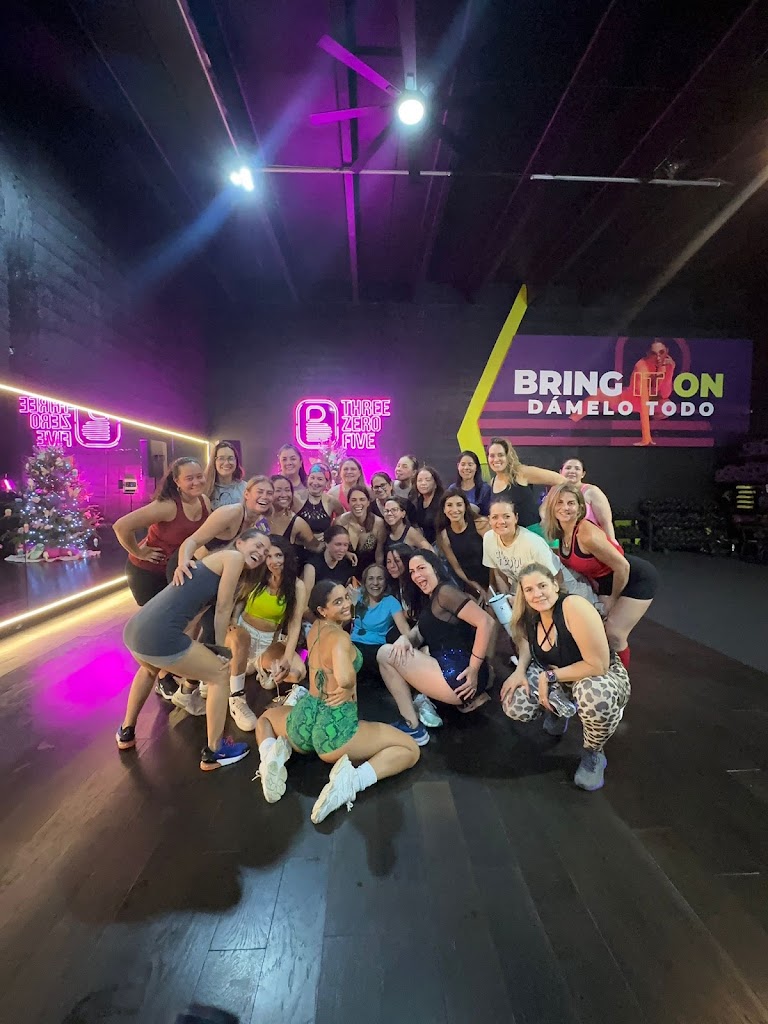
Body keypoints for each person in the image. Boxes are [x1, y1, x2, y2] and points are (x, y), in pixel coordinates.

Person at [253, 581, 420, 823]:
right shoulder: (341, 638)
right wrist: (348, 685)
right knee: (410, 749)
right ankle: (351, 782)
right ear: (322, 610)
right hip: (335, 730)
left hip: (305, 718)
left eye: (346, 598)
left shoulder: (315, 629)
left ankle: (270, 757)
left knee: (266, 719)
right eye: (338, 602)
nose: (346, 605)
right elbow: (343, 677)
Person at [116, 528, 271, 770]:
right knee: (220, 674)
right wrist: (220, 651)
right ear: (240, 542)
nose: (261, 553)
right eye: (258, 545)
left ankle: (126, 731)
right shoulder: (233, 558)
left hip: (136, 631)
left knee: (149, 669)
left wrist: (195, 651)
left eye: (266, 552)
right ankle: (215, 751)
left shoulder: (211, 566)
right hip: (158, 635)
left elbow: (193, 619)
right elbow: (223, 609)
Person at [500, 562, 630, 791]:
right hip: (559, 677)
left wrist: (548, 677)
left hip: (598, 675)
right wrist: (519, 672)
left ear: (554, 584)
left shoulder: (573, 606)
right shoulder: (531, 613)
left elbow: (597, 665)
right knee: (515, 701)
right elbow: (527, 644)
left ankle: (593, 752)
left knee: (595, 696)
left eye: (542, 585)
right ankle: (558, 710)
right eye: (529, 589)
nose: (537, 594)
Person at [377, 551, 495, 743]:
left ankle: (412, 726)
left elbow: (486, 622)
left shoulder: (445, 592)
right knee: (406, 649)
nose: (417, 575)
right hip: (459, 673)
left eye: (421, 568)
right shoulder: (432, 598)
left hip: (460, 678)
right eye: (412, 572)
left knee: (384, 654)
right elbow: (420, 632)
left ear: (436, 568)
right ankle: (421, 707)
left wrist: (474, 669)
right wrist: (405, 639)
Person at [542, 483, 658, 669]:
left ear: (580, 507)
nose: (565, 508)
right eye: (559, 502)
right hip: (605, 581)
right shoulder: (561, 532)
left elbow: (622, 567)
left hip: (635, 577)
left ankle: (621, 680)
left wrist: (612, 598)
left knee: (615, 634)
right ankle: (600, 670)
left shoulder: (586, 534)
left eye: (571, 503)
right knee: (595, 628)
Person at [225, 534, 307, 727]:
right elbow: (240, 599)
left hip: (268, 640)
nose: (273, 561)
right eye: (268, 556)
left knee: (297, 672)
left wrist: (287, 658)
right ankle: (237, 697)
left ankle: (257, 668)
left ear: (286, 557)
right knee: (240, 639)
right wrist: (233, 619)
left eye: (278, 555)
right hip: (243, 632)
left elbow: (295, 623)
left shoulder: (297, 586)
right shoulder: (257, 574)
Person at [113, 457, 210, 607]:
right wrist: (139, 553)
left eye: (199, 476)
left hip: (176, 571)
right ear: (177, 481)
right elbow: (121, 526)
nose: (196, 482)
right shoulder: (167, 506)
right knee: (154, 618)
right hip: (149, 573)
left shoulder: (204, 501)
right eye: (189, 478)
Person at [483, 499, 564, 598]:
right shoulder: (489, 538)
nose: (501, 521)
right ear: (489, 520)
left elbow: (557, 577)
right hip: (527, 588)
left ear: (516, 518)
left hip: (557, 584)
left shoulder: (532, 542)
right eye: (495, 517)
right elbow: (498, 572)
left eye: (506, 516)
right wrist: (506, 599)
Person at [487, 437, 565, 537]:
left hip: (535, 533)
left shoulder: (521, 473)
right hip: (511, 538)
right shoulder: (493, 482)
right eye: (492, 456)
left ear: (508, 456)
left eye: (500, 455)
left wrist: (544, 508)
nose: (496, 459)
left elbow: (561, 481)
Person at [350, 563, 411, 677]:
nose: (375, 583)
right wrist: (351, 605)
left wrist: (409, 644)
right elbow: (340, 624)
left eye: (380, 578)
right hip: (353, 645)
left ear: (385, 582)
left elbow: (405, 629)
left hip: (376, 649)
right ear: (365, 582)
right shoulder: (357, 597)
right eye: (371, 578)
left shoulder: (391, 602)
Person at [436, 490, 490, 599]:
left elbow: (494, 559)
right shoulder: (444, 536)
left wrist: (491, 587)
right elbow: (457, 568)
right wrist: (477, 588)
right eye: (449, 505)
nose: (454, 510)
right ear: (444, 510)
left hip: (494, 578)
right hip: (473, 585)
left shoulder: (481, 524)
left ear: (465, 507)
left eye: (459, 505)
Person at [558, 457, 616, 541]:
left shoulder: (592, 491)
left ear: (583, 474)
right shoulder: (555, 492)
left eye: (577, 469)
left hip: (592, 542)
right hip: (566, 543)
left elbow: (606, 522)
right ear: (560, 472)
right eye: (568, 468)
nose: (572, 471)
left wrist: (612, 544)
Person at [268, 474, 322, 557]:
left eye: (287, 490)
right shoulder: (258, 516)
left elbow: (317, 547)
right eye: (278, 490)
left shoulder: (297, 523)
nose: (284, 495)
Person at [337, 485, 385, 572]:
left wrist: (378, 574)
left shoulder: (378, 523)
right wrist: (346, 553)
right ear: (348, 503)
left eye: (362, 499)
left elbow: (379, 555)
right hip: (344, 570)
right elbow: (332, 548)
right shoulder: (340, 522)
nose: (358, 503)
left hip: (369, 571)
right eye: (353, 500)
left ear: (368, 502)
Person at [302, 524, 357, 595]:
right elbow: (305, 598)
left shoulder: (348, 564)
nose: (342, 549)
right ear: (326, 543)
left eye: (345, 545)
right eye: (338, 544)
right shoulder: (312, 567)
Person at [294, 463, 344, 538]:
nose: (315, 482)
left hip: (322, 544)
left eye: (320, 479)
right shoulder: (296, 497)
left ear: (327, 482)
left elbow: (342, 518)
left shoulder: (331, 501)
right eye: (312, 478)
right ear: (308, 478)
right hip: (297, 544)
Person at [448, 450, 492, 515]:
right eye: (463, 464)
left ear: (476, 467)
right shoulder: (452, 489)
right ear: (458, 466)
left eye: (470, 464)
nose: (466, 468)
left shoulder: (485, 489)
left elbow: (488, 515)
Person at [205, 441, 246, 509]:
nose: (226, 463)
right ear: (214, 461)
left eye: (230, 458)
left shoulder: (245, 488)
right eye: (221, 458)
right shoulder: (204, 488)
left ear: (236, 461)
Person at [385, 543, 418, 623]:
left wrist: (399, 615)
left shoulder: (416, 583)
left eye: (397, 561)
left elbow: (419, 612)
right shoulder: (393, 584)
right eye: (388, 562)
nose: (392, 566)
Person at [412, 466, 444, 546]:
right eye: (419, 480)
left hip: (441, 543)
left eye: (427, 480)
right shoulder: (417, 502)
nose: (423, 483)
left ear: (435, 483)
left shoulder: (443, 501)